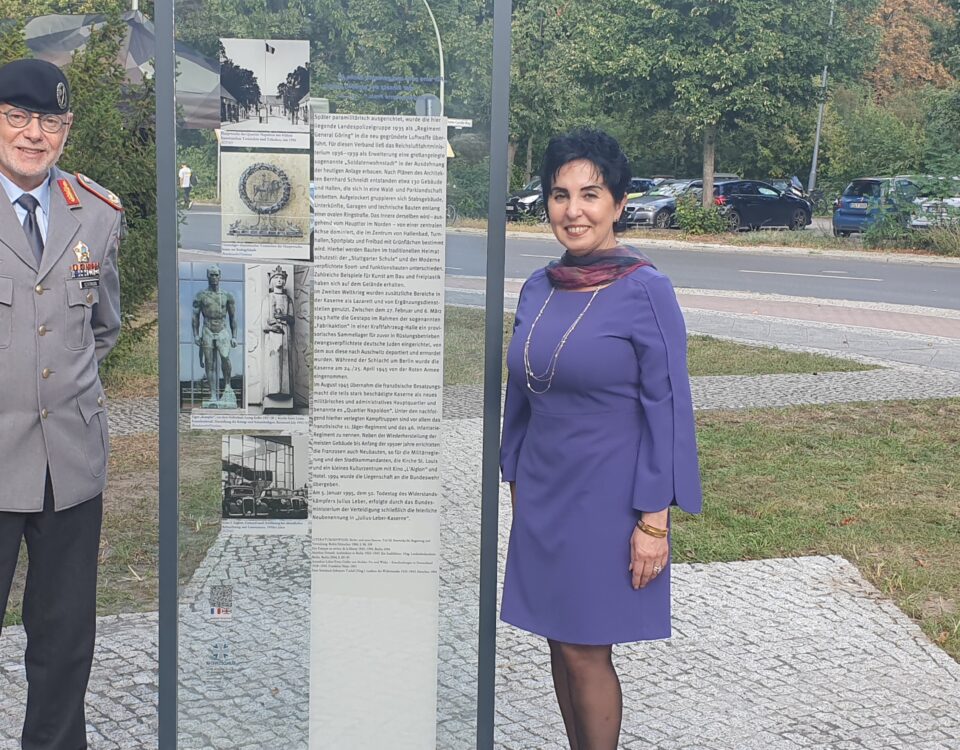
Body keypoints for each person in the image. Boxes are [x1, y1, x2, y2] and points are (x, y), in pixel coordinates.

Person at [500, 128, 702, 749]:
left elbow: (668, 410)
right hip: (545, 491)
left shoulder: (646, 290)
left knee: (587, 649)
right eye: (560, 195)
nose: (573, 210)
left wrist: (653, 521)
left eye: (591, 193)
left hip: (608, 499)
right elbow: (523, 388)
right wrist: (514, 474)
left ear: (618, 202)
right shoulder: (540, 286)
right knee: (559, 643)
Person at [0, 58, 123, 749]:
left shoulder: (96, 214)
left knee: (65, 642)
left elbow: (98, 328)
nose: (33, 134)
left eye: (48, 120)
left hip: (69, 466)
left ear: (66, 129)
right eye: (17, 116)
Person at [192, 264, 238, 408]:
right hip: (207, 330)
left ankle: (228, 386)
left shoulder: (227, 296)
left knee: (225, 358)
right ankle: (213, 394)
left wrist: (234, 336)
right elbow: (195, 317)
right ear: (207, 276)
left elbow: (233, 318)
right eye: (211, 275)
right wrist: (195, 335)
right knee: (209, 363)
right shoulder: (201, 295)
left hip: (222, 330)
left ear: (220, 276)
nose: (214, 277)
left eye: (216, 275)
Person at [261, 265, 293, 400]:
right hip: (273, 333)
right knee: (274, 359)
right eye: (277, 278)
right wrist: (272, 327)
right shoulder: (268, 298)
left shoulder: (287, 299)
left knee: (285, 359)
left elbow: (292, 318)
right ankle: (273, 389)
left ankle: (285, 389)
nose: (279, 280)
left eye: (282, 278)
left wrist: (283, 317)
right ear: (272, 281)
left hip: (285, 332)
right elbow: (264, 322)